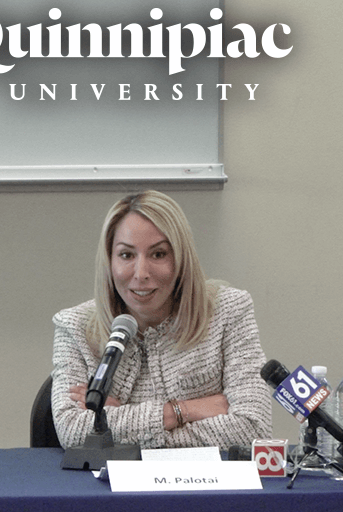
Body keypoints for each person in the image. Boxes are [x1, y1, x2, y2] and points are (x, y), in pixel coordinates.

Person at [51, 190, 272, 449]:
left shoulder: (229, 311)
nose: (141, 273)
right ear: (109, 261)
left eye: (158, 254)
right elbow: (73, 433)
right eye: (126, 255)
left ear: (181, 259)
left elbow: (254, 429)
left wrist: (117, 424)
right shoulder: (74, 326)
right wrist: (183, 411)